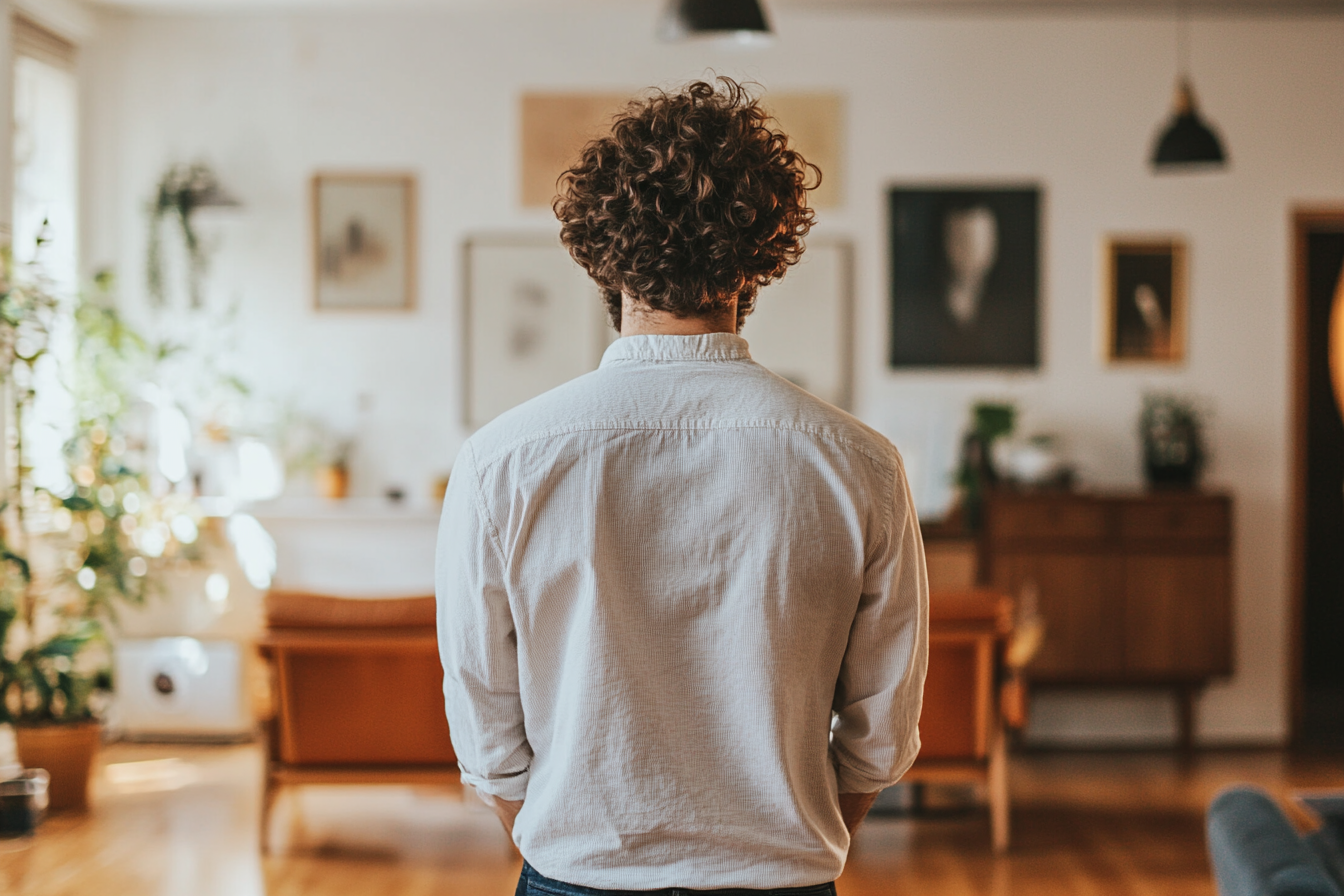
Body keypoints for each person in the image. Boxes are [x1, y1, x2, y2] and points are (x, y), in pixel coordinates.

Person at [437, 77, 928, 896]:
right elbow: (883, 726)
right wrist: (787, 842)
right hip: (783, 879)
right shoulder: (861, 464)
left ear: (602, 255)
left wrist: (564, 845)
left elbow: (483, 715)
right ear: (758, 260)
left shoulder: (501, 462)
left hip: (575, 876)